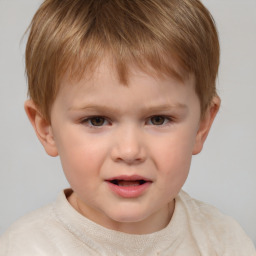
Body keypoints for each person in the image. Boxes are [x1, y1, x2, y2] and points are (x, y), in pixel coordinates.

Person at [0, 0, 255, 255]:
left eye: (158, 119)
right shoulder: (25, 248)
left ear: (202, 125)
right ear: (47, 129)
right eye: (96, 120)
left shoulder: (224, 242)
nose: (130, 150)